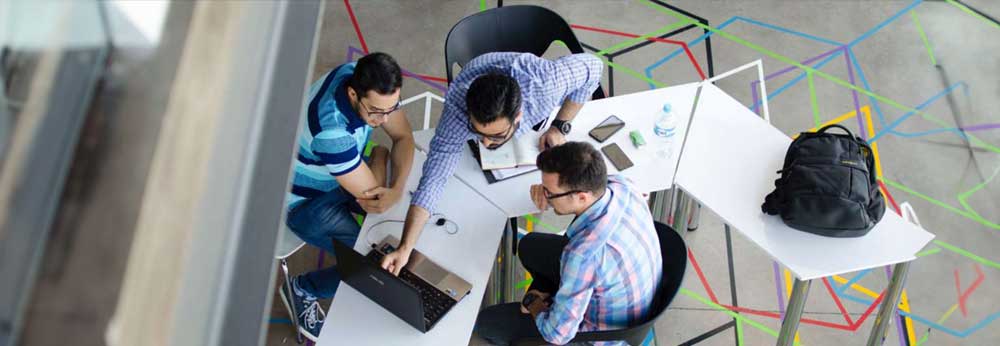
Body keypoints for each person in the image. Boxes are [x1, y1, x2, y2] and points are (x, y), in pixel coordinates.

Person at [379, 52, 603, 276]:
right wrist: (405, 247)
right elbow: (434, 178)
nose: (485, 143)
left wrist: (560, 125)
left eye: (495, 136)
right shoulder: (458, 108)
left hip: (528, 78)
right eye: (478, 133)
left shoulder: (545, 85)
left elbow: (594, 66)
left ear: (519, 117)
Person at [279, 52, 415, 341]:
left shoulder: (361, 75)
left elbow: (404, 137)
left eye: (392, 109)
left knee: (395, 221)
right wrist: (379, 156)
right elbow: (375, 200)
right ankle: (303, 289)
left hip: (338, 175)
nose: (384, 119)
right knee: (368, 260)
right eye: (376, 112)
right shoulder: (332, 132)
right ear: (353, 94)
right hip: (304, 203)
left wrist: (398, 187)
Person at [473, 142, 663, 345]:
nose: (545, 195)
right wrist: (547, 191)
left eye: (550, 193)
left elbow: (557, 334)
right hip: (632, 294)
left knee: (486, 323)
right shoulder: (623, 186)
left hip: (600, 336)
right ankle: (560, 293)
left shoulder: (583, 255)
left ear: (581, 196)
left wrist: (534, 303)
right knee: (530, 246)